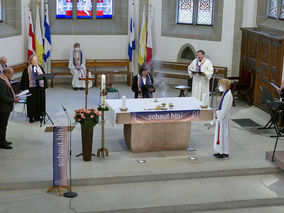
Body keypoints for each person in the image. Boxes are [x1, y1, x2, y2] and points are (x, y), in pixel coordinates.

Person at [20, 55, 48, 123]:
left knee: (39, 102)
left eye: (36, 60)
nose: (35, 61)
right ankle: (31, 117)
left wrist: (44, 86)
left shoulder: (40, 68)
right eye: (33, 60)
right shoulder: (27, 70)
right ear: (30, 61)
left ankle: (38, 116)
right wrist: (26, 90)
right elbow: (24, 80)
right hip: (31, 89)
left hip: (39, 89)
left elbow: (44, 77)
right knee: (32, 103)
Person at [213, 79, 233, 159]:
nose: (219, 87)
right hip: (221, 117)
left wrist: (218, 113)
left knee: (223, 135)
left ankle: (225, 153)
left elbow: (225, 109)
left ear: (224, 85)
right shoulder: (225, 93)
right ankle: (220, 151)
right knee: (220, 135)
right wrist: (217, 110)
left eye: (220, 85)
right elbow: (221, 105)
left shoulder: (228, 95)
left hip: (223, 118)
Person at [0, 68, 19, 149]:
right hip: (3, 108)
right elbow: (2, 96)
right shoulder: (2, 82)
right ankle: (2, 143)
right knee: (2, 126)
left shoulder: (4, 80)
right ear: (6, 73)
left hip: (5, 107)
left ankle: (3, 140)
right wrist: (13, 100)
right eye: (11, 74)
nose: (12, 75)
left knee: (3, 126)